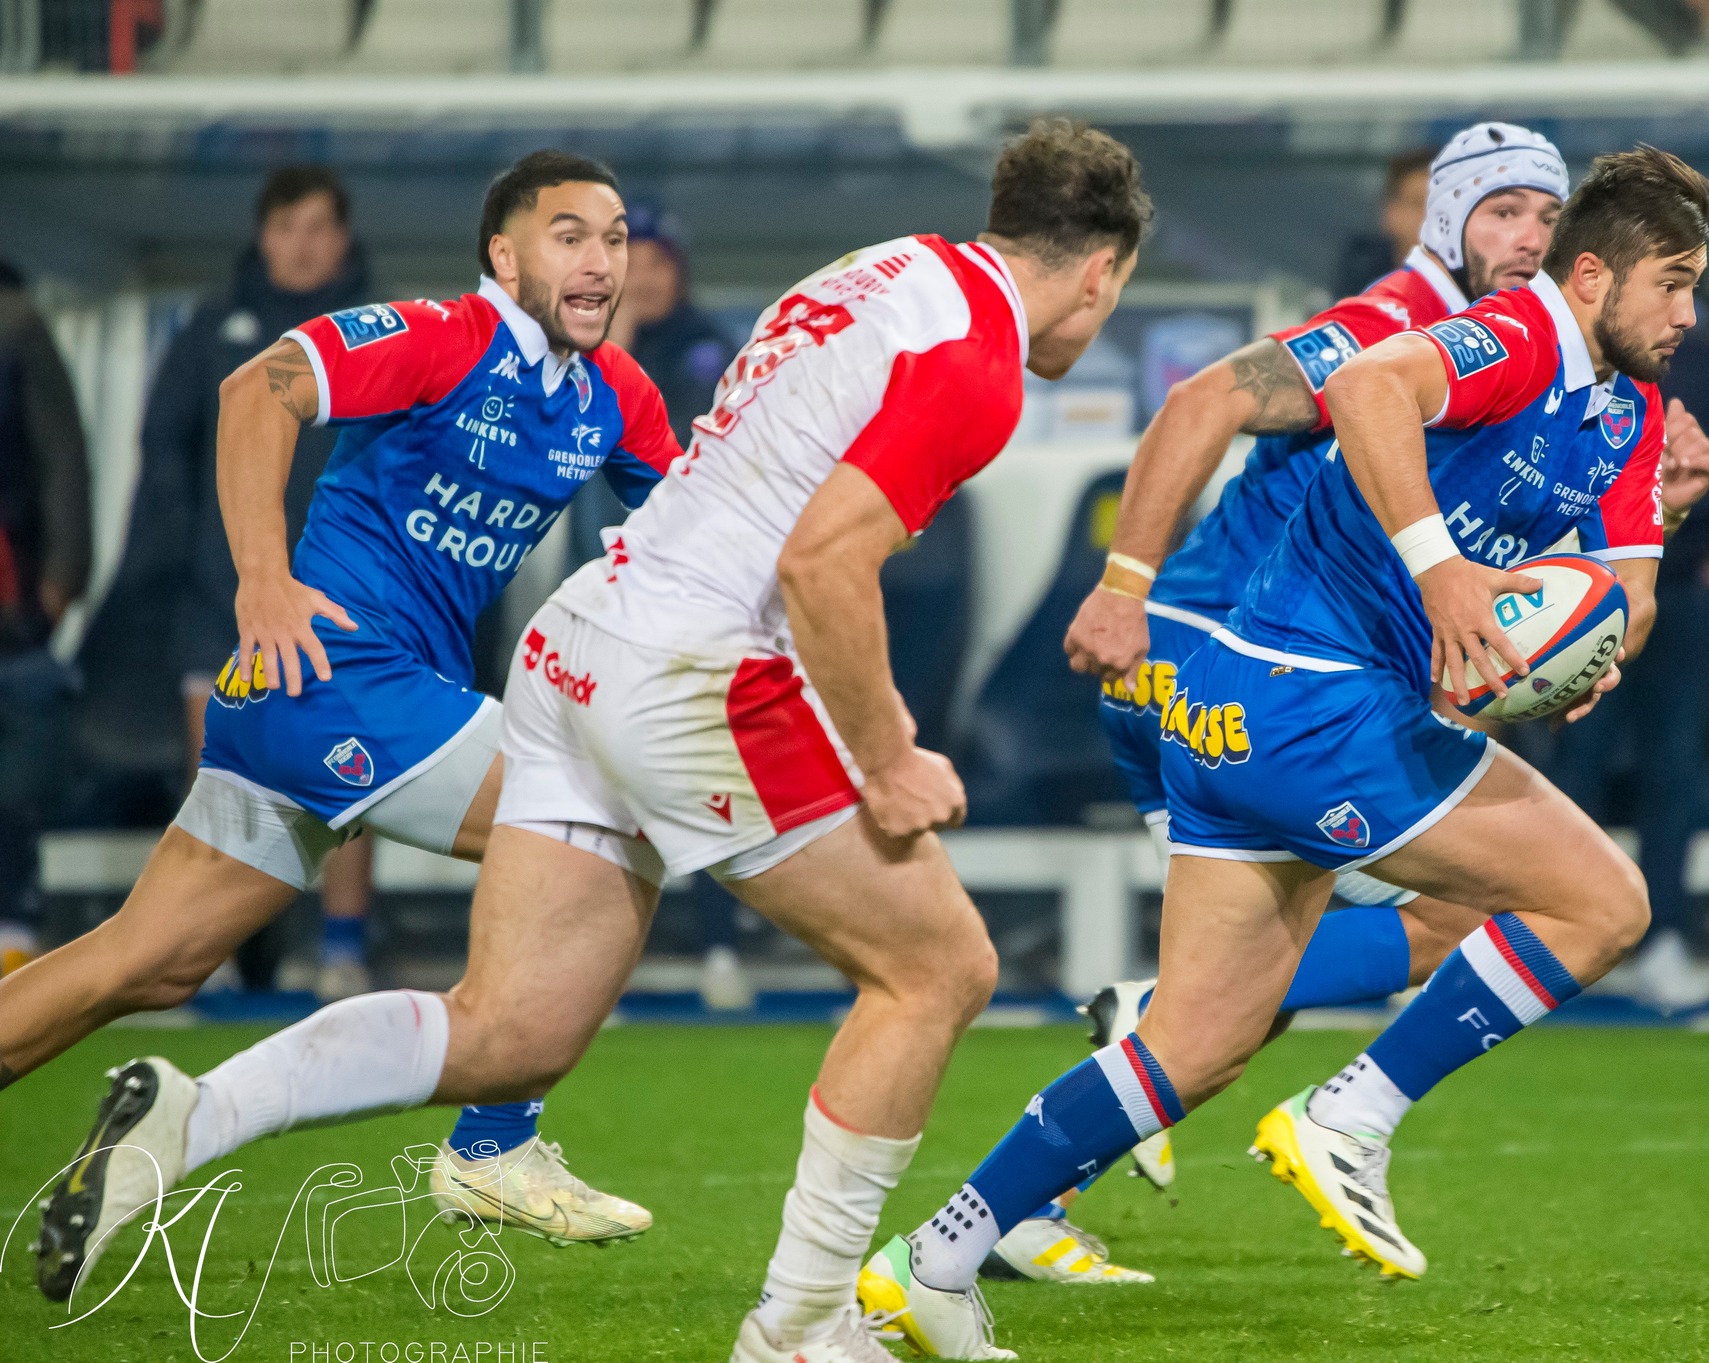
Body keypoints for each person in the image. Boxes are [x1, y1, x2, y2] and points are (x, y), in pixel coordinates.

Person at [45, 118, 1150, 1363]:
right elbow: (822, 560)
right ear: (1098, 270)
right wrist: (887, 752)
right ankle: (799, 1331)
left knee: (509, 1034)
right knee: (939, 967)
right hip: (683, 669)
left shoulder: (885, 266)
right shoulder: (975, 361)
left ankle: (187, 1121)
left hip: (575, 646)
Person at [863, 147, 1709, 1359]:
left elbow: (1623, 589)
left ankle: (930, 1259)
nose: (1687, 314)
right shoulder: (1515, 333)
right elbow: (1365, 387)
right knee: (1601, 900)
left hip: (1245, 716)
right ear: (1591, 277)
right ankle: (1351, 1112)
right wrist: (1441, 572)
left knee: (1193, 1045)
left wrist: (1592, 643)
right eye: (1671, 284)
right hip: (1306, 699)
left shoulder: (1622, 414)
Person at [19, 150, 673, 1302]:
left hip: (342, 702)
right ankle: (493, 1140)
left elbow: (698, 527)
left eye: (614, 237)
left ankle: (440, 1126)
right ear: (504, 255)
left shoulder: (615, 394)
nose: (599, 260)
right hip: (332, 675)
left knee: (150, 960)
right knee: (613, 810)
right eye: (569, 234)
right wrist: (262, 579)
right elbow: (255, 389)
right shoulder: (443, 335)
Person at [1024, 122, 1572, 1284]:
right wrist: (1122, 586)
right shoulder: (1394, 324)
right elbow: (1199, 401)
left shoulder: (1512, 356)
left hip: (1236, 677)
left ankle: (1026, 1205)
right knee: (1463, 913)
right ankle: (1160, 1023)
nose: (1528, 237)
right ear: (1444, 221)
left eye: (1546, 214)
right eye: (1500, 211)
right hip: (1219, 664)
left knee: (1244, 987)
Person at [117, 167, 379, 999]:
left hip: (344, 597)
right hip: (219, 598)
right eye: (286, 227)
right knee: (220, 781)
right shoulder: (210, 329)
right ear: (263, 236)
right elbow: (164, 461)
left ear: (342, 238)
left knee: (357, 773)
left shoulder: (381, 332)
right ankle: (211, 953)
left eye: (318, 228)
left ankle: (341, 947)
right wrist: (166, 577)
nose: (302, 245)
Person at [1545, 271, 1709, 1011]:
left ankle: (1664, 936)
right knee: (1572, 763)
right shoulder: (1570, 330)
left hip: (1688, 585)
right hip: (1583, 588)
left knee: (1676, 764)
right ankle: (1559, 935)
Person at [600, 200, 755, 1011]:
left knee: (703, 772)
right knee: (603, 787)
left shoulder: (708, 348)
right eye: (632, 261)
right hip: (601, 596)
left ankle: (720, 949)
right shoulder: (578, 350)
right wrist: (611, 339)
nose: (645, 279)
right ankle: (598, 965)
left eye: (659, 261)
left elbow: (671, 461)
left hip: (694, 592)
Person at [0, 260, 92, 978]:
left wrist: (61, 578)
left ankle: (14, 932)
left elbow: (62, 461)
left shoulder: (16, 325)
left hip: (14, 604)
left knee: (17, 783)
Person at [1329, 144, 1434, 300]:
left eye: (1440, 204)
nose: (1430, 215)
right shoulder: (1360, 278)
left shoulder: (1469, 290)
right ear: (1390, 212)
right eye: (1417, 203)